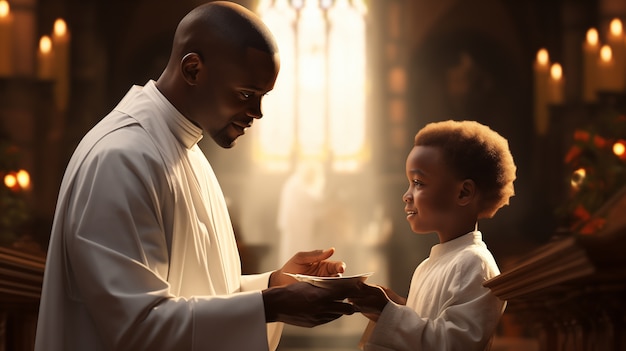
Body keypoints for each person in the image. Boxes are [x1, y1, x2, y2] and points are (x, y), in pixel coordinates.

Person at [34, 2, 356, 350]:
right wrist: (271, 305)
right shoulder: (122, 157)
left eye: (263, 97)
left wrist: (274, 286)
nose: (257, 113)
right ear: (193, 69)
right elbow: (137, 327)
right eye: (246, 94)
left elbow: (203, 291)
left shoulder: (187, 151)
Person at [349, 120, 516, 350]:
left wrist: (388, 313)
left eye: (418, 182)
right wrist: (392, 307)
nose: (406, 196)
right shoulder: (427, 266)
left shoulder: (474, 263)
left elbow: (454, 344)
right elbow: (427, 324)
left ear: (464, 192)